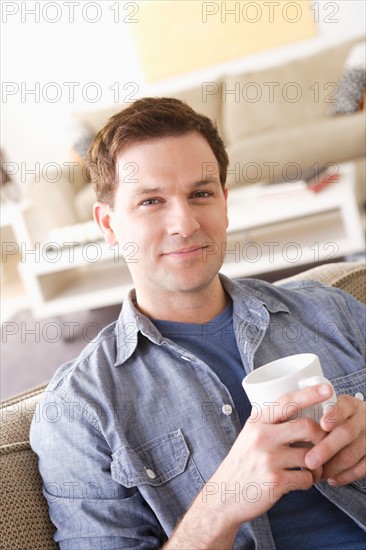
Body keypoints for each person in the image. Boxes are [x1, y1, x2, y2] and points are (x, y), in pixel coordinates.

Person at [30, 97, 366, 549]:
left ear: (225, 204)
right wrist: (221, 506)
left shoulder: (332, 312)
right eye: (151, 201)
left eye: (201, 194)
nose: (185, 224)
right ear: (108, 224)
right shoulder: (79, 409)